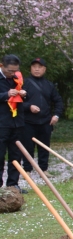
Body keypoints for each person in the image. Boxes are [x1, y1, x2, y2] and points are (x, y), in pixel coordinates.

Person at [22, 58, 63, 173]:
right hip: (28, 122)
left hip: (45, 121)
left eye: (39, 67)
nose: (36, 69)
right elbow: (17, 102)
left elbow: (58, 101)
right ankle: (27, 170)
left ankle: (43, 169)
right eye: (34, 66)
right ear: (30, 68)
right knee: (27, 147)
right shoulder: (24, 84)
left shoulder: (49, 85)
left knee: (44, 147)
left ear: (44, 69)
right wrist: (29, 107)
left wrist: (56, 115)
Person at [0, 54, 27, 191]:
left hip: (17, 122)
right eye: (10, 71)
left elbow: (26, 100)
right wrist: (6, 95)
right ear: (2, 66)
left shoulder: (18, 78)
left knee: (16, 155)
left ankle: (13, 185)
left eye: (15, 71)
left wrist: (23, 94)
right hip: (2, 123)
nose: (12, 73)